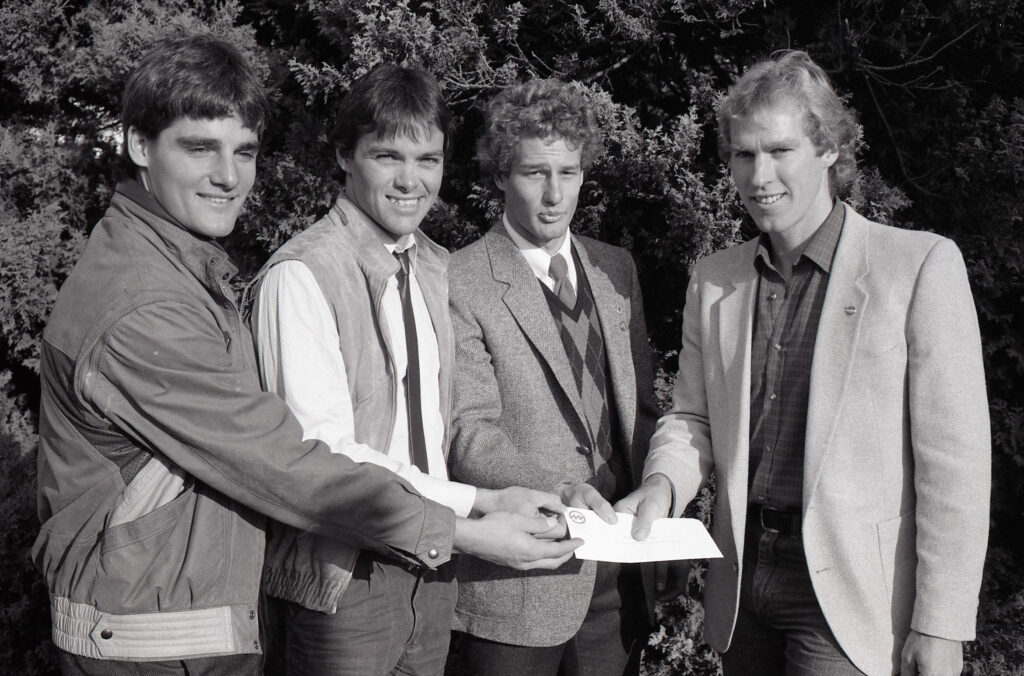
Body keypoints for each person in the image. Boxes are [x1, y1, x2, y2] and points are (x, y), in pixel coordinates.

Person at [33, 36, 576, 676]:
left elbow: (449, 419)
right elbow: (292, 463)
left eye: (244, 151)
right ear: (137, 145)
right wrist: (469, 522)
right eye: (199, 147)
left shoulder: (182, 268)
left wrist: (495, 499)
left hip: (209, 616)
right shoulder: (155, 304)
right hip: (166, 634)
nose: (228, 176)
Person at [616, 50, 990, 676]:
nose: (759, 175)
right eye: (743, 154)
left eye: (780, 150)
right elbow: (691, 419)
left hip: (851, 598)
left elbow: (955, 466)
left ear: (828, 150)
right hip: (742, 585)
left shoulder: (919, 266)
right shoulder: (715, 279)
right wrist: (661, 487)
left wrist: (941, 621)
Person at [249, 63, 577, 676]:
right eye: (387, 157)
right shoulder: (302, 275)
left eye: (427, 160)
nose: (410, 181)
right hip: (344, 584)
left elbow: (455, 425)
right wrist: (475, 520)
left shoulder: (434, 266)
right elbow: (324, 463)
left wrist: (527, 492)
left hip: (432, 576)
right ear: (345, 157)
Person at [443, 78, 659, 676]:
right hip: (519, 577)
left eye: (568, 172)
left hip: (617, 576)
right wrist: (562, 490)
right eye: (535, 173)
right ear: (499, 176)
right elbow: (469, 433)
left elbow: (639, 414)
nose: (554, 193)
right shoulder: (460, 281)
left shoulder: (616, 268)